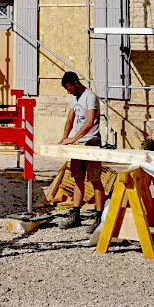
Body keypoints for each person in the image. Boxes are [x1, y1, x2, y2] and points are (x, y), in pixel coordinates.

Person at [59, 70, 105, 228]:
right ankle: (75, 215)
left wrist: (74, 138)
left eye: (70, 88)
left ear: (76, 84)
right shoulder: (73, 98)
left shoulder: (90, 97)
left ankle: (99, 217)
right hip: (77, 145)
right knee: (77, 178)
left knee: (95, 179)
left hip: (91, 143)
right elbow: (70, 119)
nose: (69, 91)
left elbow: (90, 122)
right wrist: (64, 138)